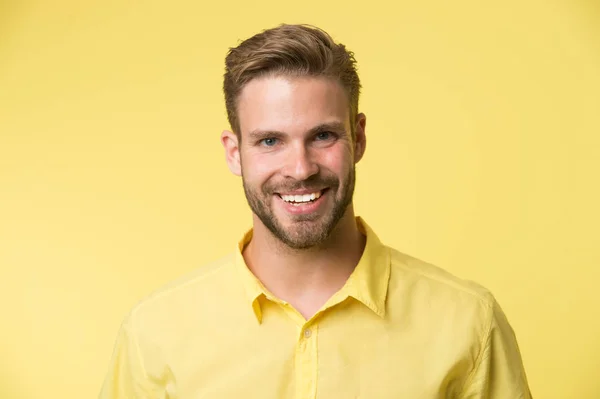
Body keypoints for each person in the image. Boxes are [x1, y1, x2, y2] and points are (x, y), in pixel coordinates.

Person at [99, 24, 532, 398]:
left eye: (323, 135)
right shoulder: (154, 332)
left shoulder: (468, 321)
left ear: (358, 138)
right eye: (270, 141)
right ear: (234, 153)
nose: (301, 169)